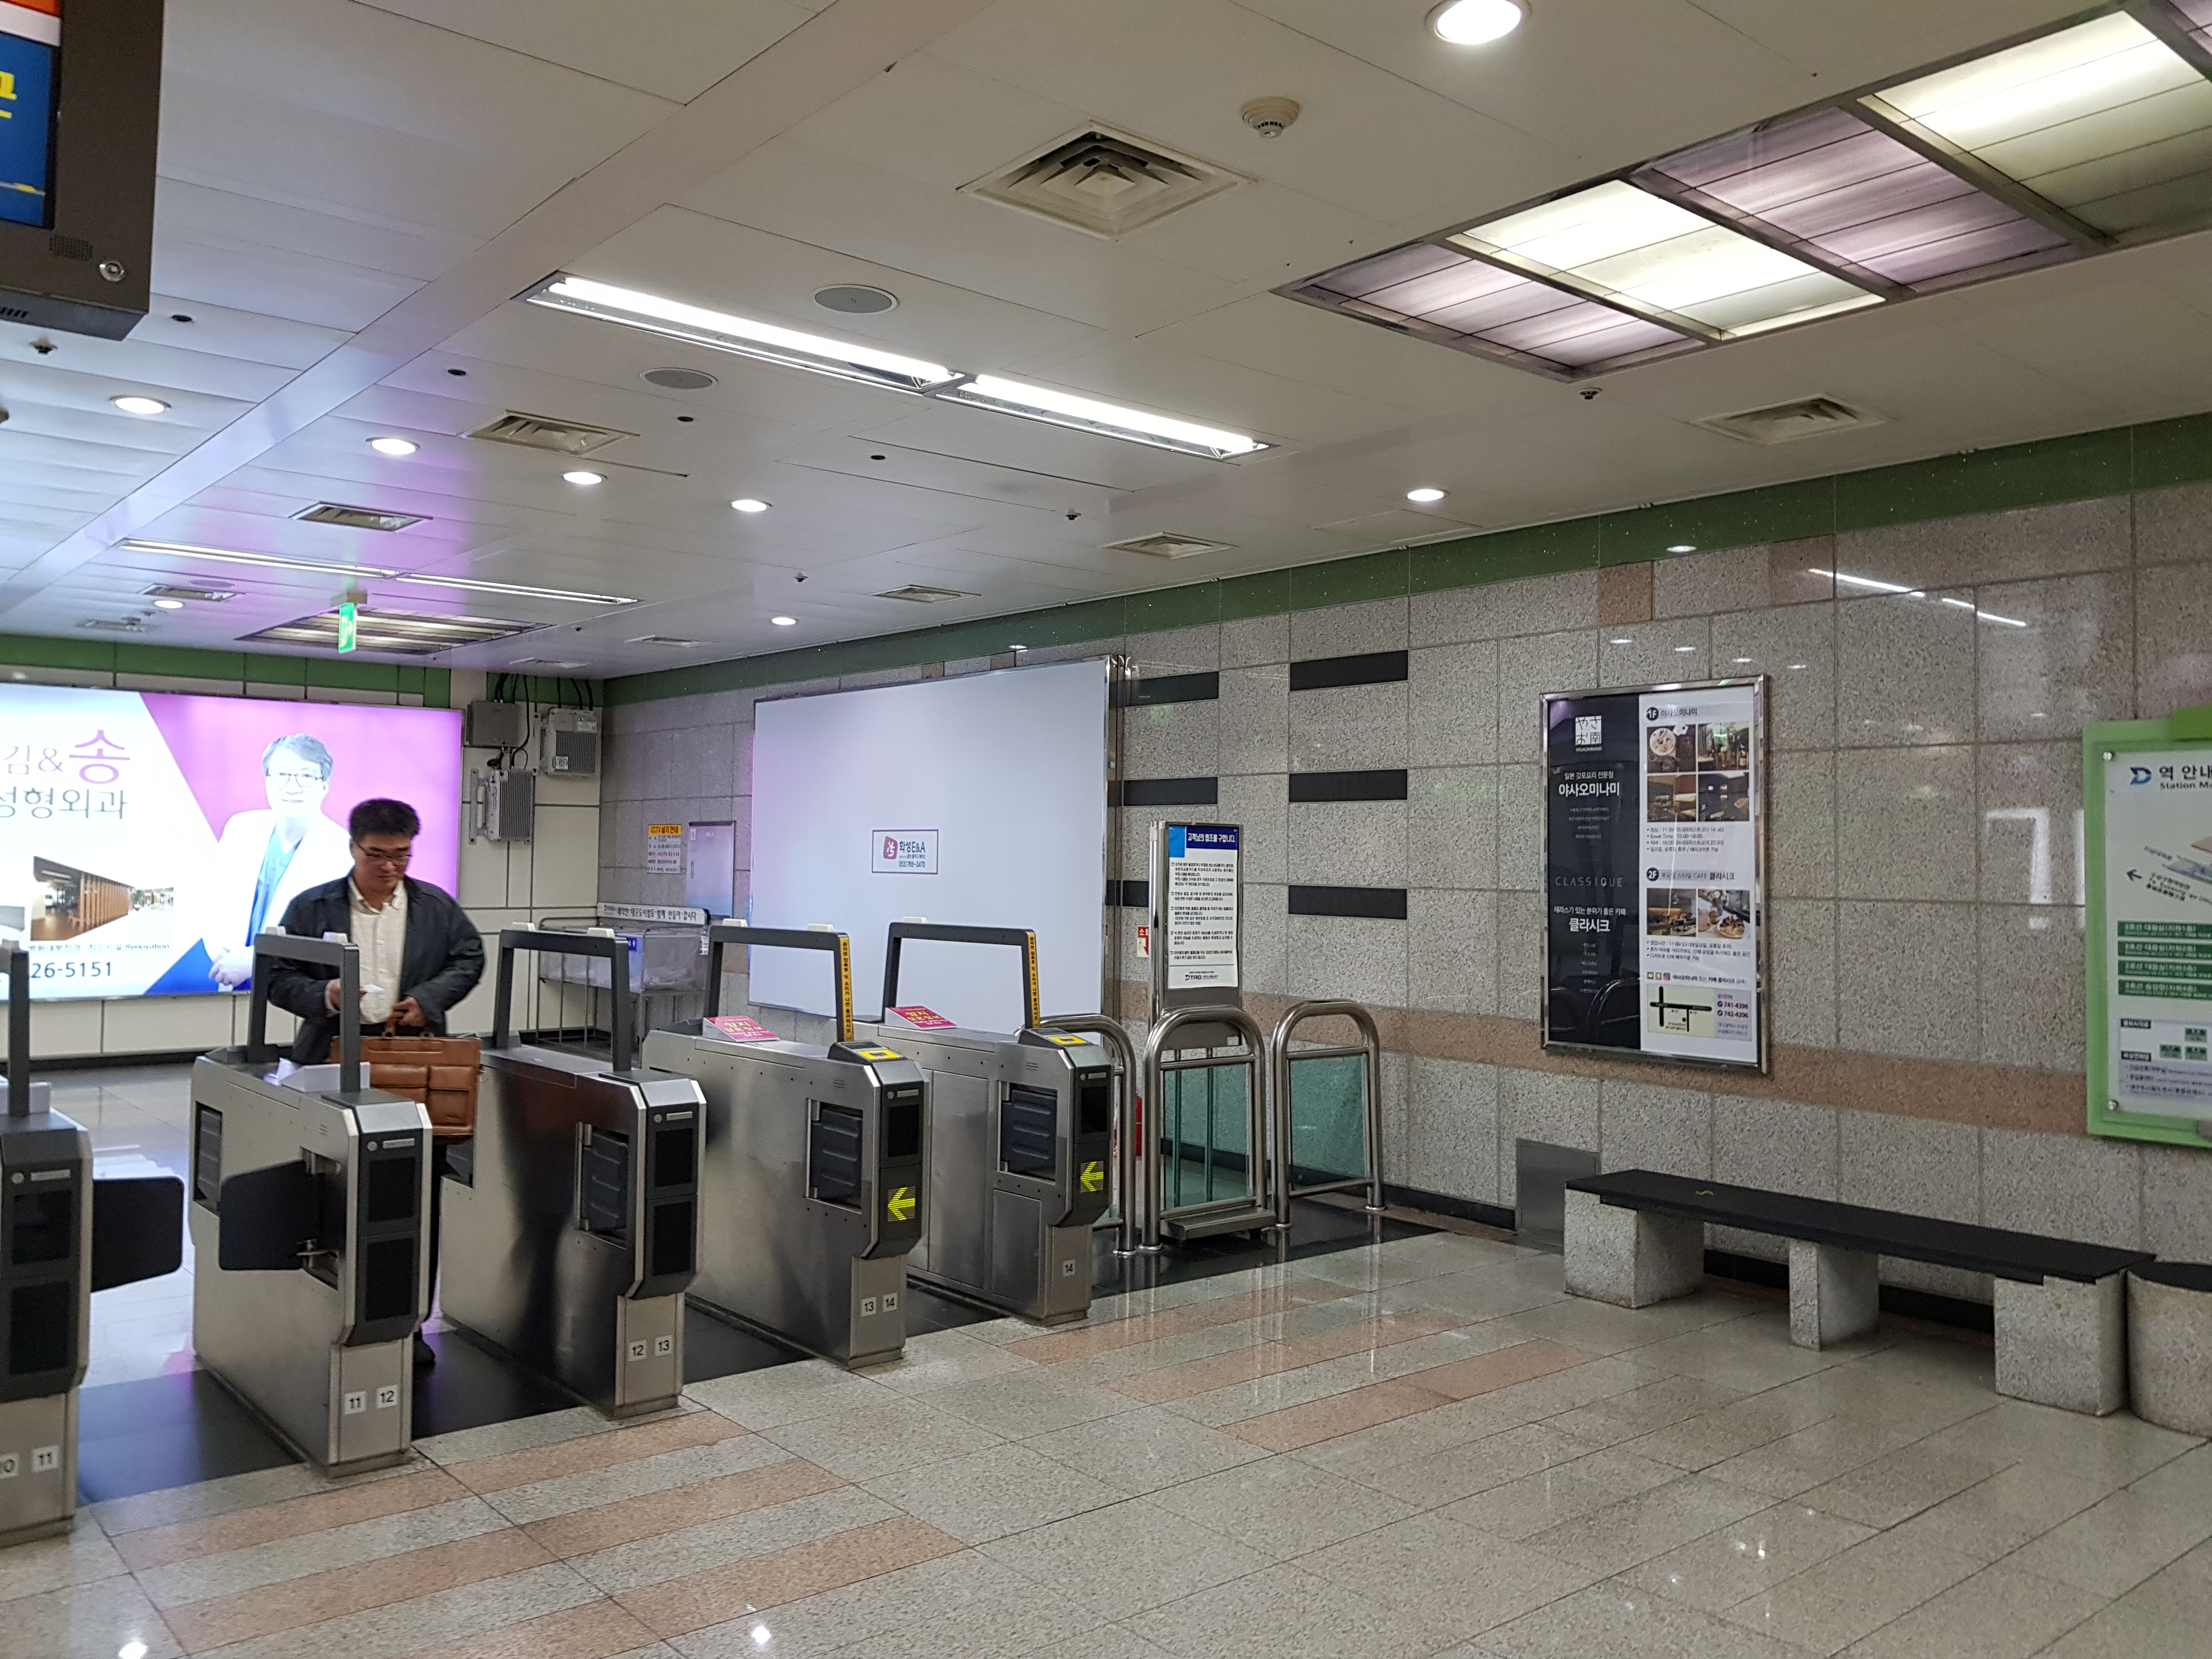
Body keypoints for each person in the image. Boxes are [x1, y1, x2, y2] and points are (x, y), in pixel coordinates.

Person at [263, 797, 483, 1367]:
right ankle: (324, 1314)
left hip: (412, 1058)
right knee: (330, 1186)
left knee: (415, 1192)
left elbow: (469, 958)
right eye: (377, 855)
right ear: (353, 848)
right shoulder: (312, 906)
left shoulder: (435, 906)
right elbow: (277, 974)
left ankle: (409, 1321)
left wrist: (429, 999)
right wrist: (325, 995)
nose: (390, 867)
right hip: (332, 1057)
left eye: (402, 855)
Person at [200, 734, 354, 989]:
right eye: (282, 774)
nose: (292, 787)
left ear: (325, 785)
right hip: (227, 976)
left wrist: (254, 961)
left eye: (306, 776)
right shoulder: (241, 827)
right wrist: (224, 957)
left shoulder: (341, 848)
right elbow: (212, 901)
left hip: (294, 987)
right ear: (267, 779)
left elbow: (327, 939)